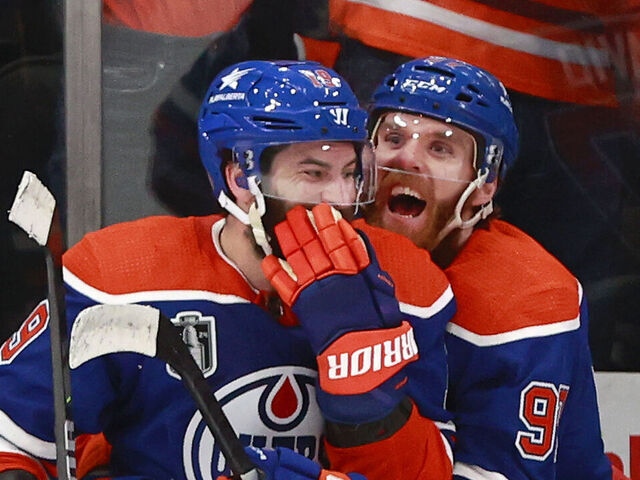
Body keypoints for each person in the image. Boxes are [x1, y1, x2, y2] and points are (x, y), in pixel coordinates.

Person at [0, 60, 455, 480]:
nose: (338, 199)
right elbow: (14, 441)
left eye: (351, 173)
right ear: (241, 179)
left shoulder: (408, 285)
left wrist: (368, 388)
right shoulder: (123, 274)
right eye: (313, 174)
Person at [364, 56, 627, 480]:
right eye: (393, 137)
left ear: (484, 183)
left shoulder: (528, 298)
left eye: (440, 147)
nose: (407, 159)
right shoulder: (325, 249)